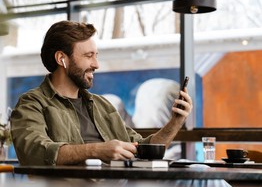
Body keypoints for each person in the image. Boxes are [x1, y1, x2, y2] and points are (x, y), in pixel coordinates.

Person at [10, 20, 193, 166]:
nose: (96, 64)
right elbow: (33, 152)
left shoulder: (102, 105)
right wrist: (96, 150)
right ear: (61, 59)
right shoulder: (32, 104)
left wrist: (175, 121)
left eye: (96, 55)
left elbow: (143, 150)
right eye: (89, 56)